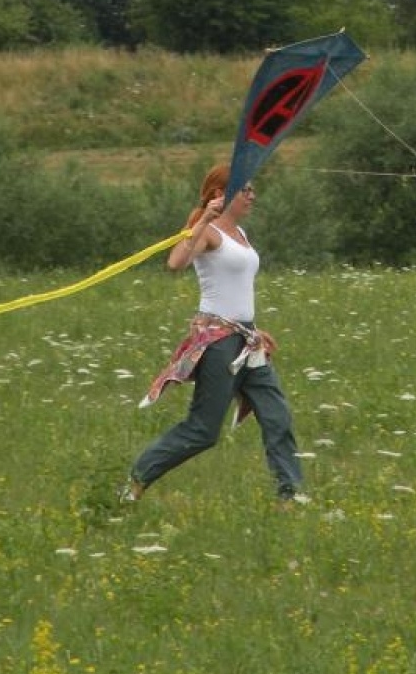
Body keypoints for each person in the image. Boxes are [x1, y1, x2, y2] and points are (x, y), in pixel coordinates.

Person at [123, 163, 307, 506]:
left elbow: (236, 289)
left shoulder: (241, 234)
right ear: (222, 194)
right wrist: (204, 219)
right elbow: (176, 263)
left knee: (277, 415)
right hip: (219, 343)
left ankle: (290, 495)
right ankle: (137, 479)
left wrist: (252, 327)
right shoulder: (208, 232)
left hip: (247, 340)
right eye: (246, 189)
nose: (253, 196)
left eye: (252, 189)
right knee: (203, 431)